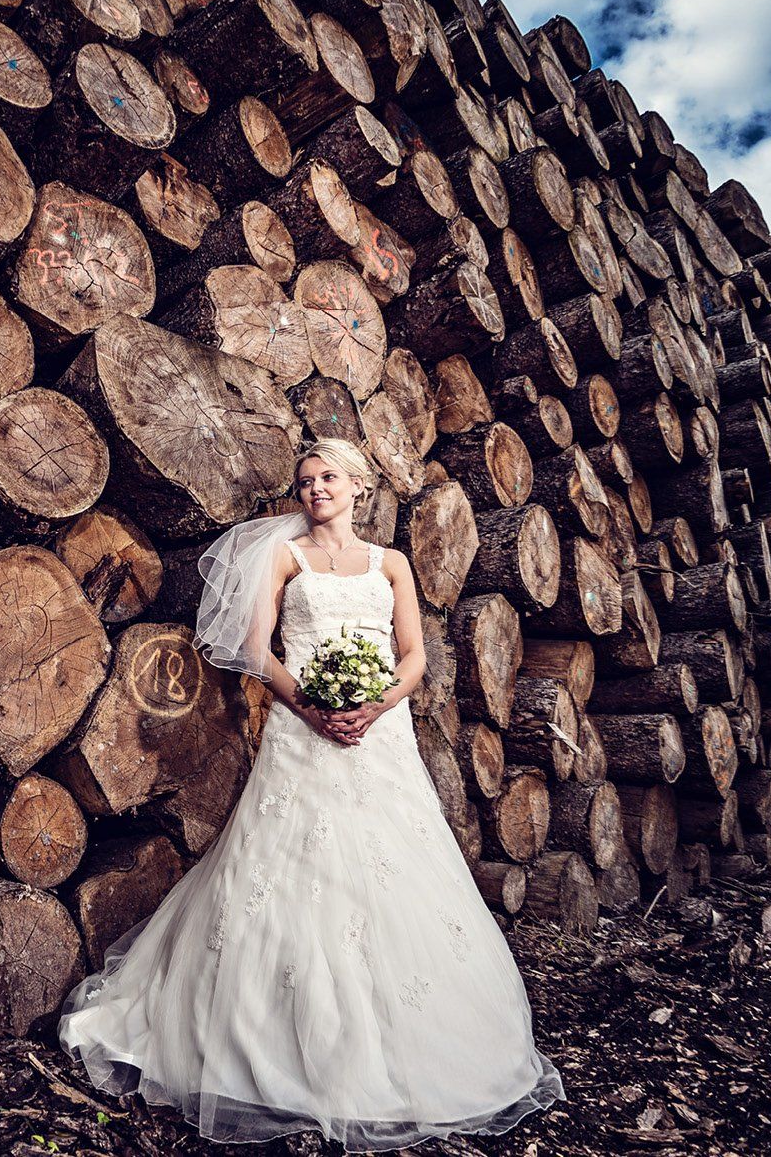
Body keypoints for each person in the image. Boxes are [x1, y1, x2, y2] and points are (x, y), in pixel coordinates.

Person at [56, 436, 566, 1150]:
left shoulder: (391, 564)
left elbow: (415, 656)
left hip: (380, 736)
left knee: (391, 868)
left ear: (358, 487)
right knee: (286, 866)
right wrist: (314, 706)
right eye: (305, 481)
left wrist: (374, 705)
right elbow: (256, 649)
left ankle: (409, 1046)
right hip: (303, 731)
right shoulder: (284, 558)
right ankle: (267, 1043)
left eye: (328, 477)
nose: (316, 489)